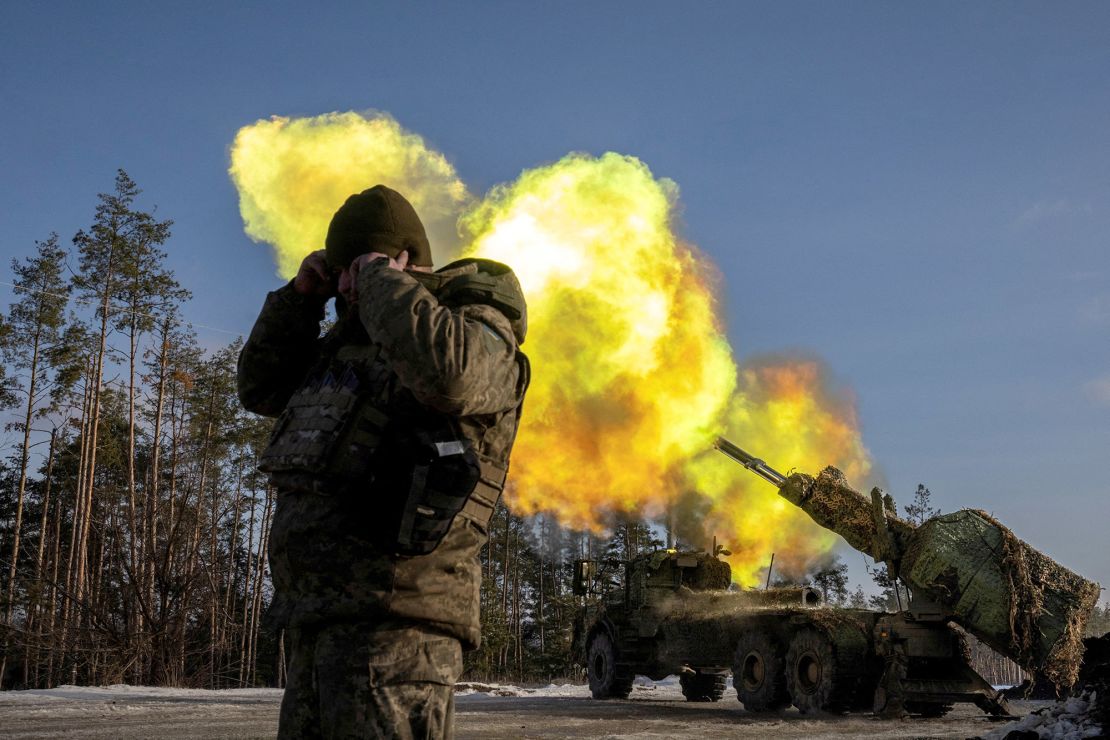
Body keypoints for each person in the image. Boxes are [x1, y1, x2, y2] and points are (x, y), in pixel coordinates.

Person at [237, 185, 530, 738]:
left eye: (359, 267)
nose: (346, 285)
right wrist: (301, 298)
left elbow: (455, 377)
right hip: (317, 622)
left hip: (399, 633)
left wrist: (378, 280)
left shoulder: (471, 325)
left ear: (400, 261)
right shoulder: (354, 344)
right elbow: (261, 388)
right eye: (341, 271)